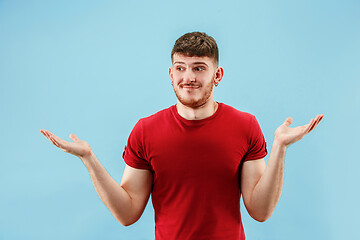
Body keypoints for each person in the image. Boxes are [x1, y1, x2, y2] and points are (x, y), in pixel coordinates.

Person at [40, 32, 324, 240]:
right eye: (180, 68)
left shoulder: (245, 125)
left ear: (217, 74)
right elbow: (127, 213)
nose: (188, 77)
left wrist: (280, 147)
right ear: (170, 73)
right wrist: (89, 158)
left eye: (199, 68)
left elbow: (260, 211)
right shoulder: (145, 130)